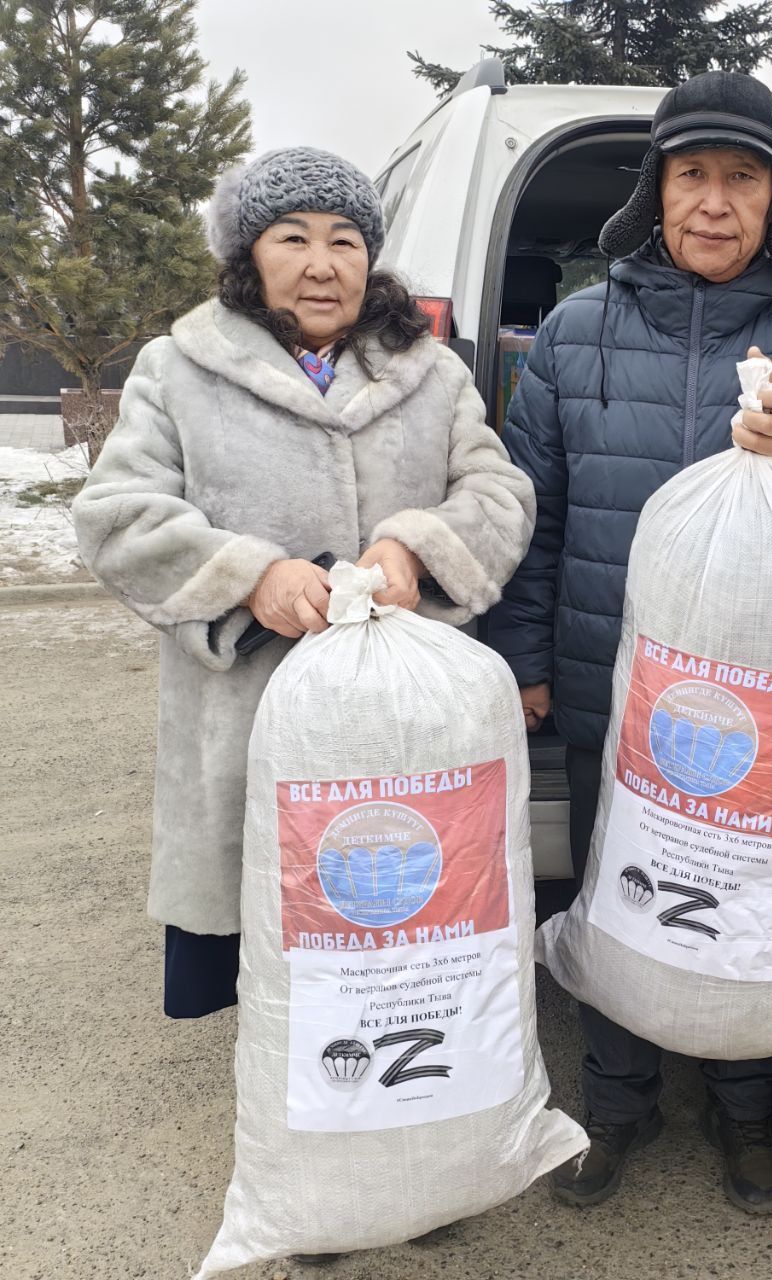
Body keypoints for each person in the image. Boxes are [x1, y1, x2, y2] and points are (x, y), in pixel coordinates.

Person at [486, 71, 772, 1215]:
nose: (715, 202)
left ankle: (743, 1107)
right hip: (607, 682)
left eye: (742, 178)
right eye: (691, 175)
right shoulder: (575, 331)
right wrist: (523, 658)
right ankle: (614, 1103)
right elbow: (531, 514)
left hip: (767, 697)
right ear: (654, 193)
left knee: (751, 902)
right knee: (619, 893)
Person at [73, 146, 535, 1022]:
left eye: (344, 241)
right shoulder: (180, 369)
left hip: (408, 717)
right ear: (250, 256)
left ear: (370, 258)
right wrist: (251, 578)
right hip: (248, 716)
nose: (322, 264)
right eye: (293, 238)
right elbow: (118, 515)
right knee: (277, 965)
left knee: (405, 929)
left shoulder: (430, 372)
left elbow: (500, 494)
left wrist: (416, 549)